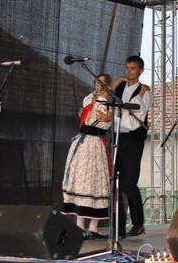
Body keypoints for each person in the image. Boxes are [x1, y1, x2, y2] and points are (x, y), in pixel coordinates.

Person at [62, 73, 114, 240]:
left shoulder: (94, 102)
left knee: (88, 183)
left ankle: (87, 227)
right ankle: (86, 227)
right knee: (89, 182)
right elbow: (101, 123)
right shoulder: (100, 104)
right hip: (90, 145)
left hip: (87, 144)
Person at [113, 55, 152, 238]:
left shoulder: (145, 92)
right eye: (127, 67)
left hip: (133, 140)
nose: (128, 71)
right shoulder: (119, 88)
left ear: (141, 71)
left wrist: (116, 116)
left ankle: (138, 223)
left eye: (133, 68)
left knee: (128, 182)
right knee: (115, 184)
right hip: (117, 137)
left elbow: (135, 119)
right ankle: (119, 227)